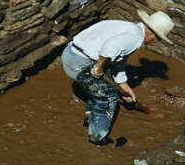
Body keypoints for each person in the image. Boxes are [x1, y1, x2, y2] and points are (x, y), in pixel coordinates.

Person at [61, 10, 175, 145]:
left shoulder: (131, 30)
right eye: (159, 39)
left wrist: (124, 87)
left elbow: (119, 61)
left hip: (75, 53)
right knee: (108, 96)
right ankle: (97, 137)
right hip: (79, 61)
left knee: (103, 86)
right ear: (153, 35)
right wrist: (99, 66)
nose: (156, 42)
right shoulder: (135, 37)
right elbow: (111, 47)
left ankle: (91, 117)